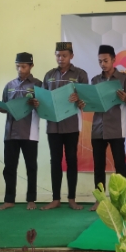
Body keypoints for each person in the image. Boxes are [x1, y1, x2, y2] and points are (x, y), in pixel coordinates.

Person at [84, 45, 126, 211]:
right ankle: (100, 200)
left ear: (113, 60)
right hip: (98, 128)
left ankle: (122, 200)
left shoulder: (124, 79)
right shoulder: (95, 80)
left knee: (120, 166)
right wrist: (85, 102)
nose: (102, 64)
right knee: (99, 166)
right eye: (100, 61)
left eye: (105, 61)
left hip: (116, 127)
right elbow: (90, 103)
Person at [41, 42, 88, 211]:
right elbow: (43, 98)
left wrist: (78, 98)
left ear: (71, 56)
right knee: (55, 161)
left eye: (64, 55)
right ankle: (55, 199)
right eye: (58, 55)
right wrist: (39, 101)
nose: (61, 58)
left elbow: (86, 99)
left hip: (71, 124)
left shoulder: (80, 74)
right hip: (53, 125)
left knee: (71, 160)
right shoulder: (49, 75)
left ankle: (72, 199)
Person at [0, 52, 42, 211]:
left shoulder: (38, 84)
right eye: (18, 66)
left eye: (23, 66)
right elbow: (5, 107)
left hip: (29, 132)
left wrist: (37, 103)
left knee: (31, 167)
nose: (20, 69)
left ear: (31, 66)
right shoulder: (9, 85)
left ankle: (31, 199)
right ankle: (9, 199)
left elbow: (45, 106)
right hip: (10, 133)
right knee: (9, 167)